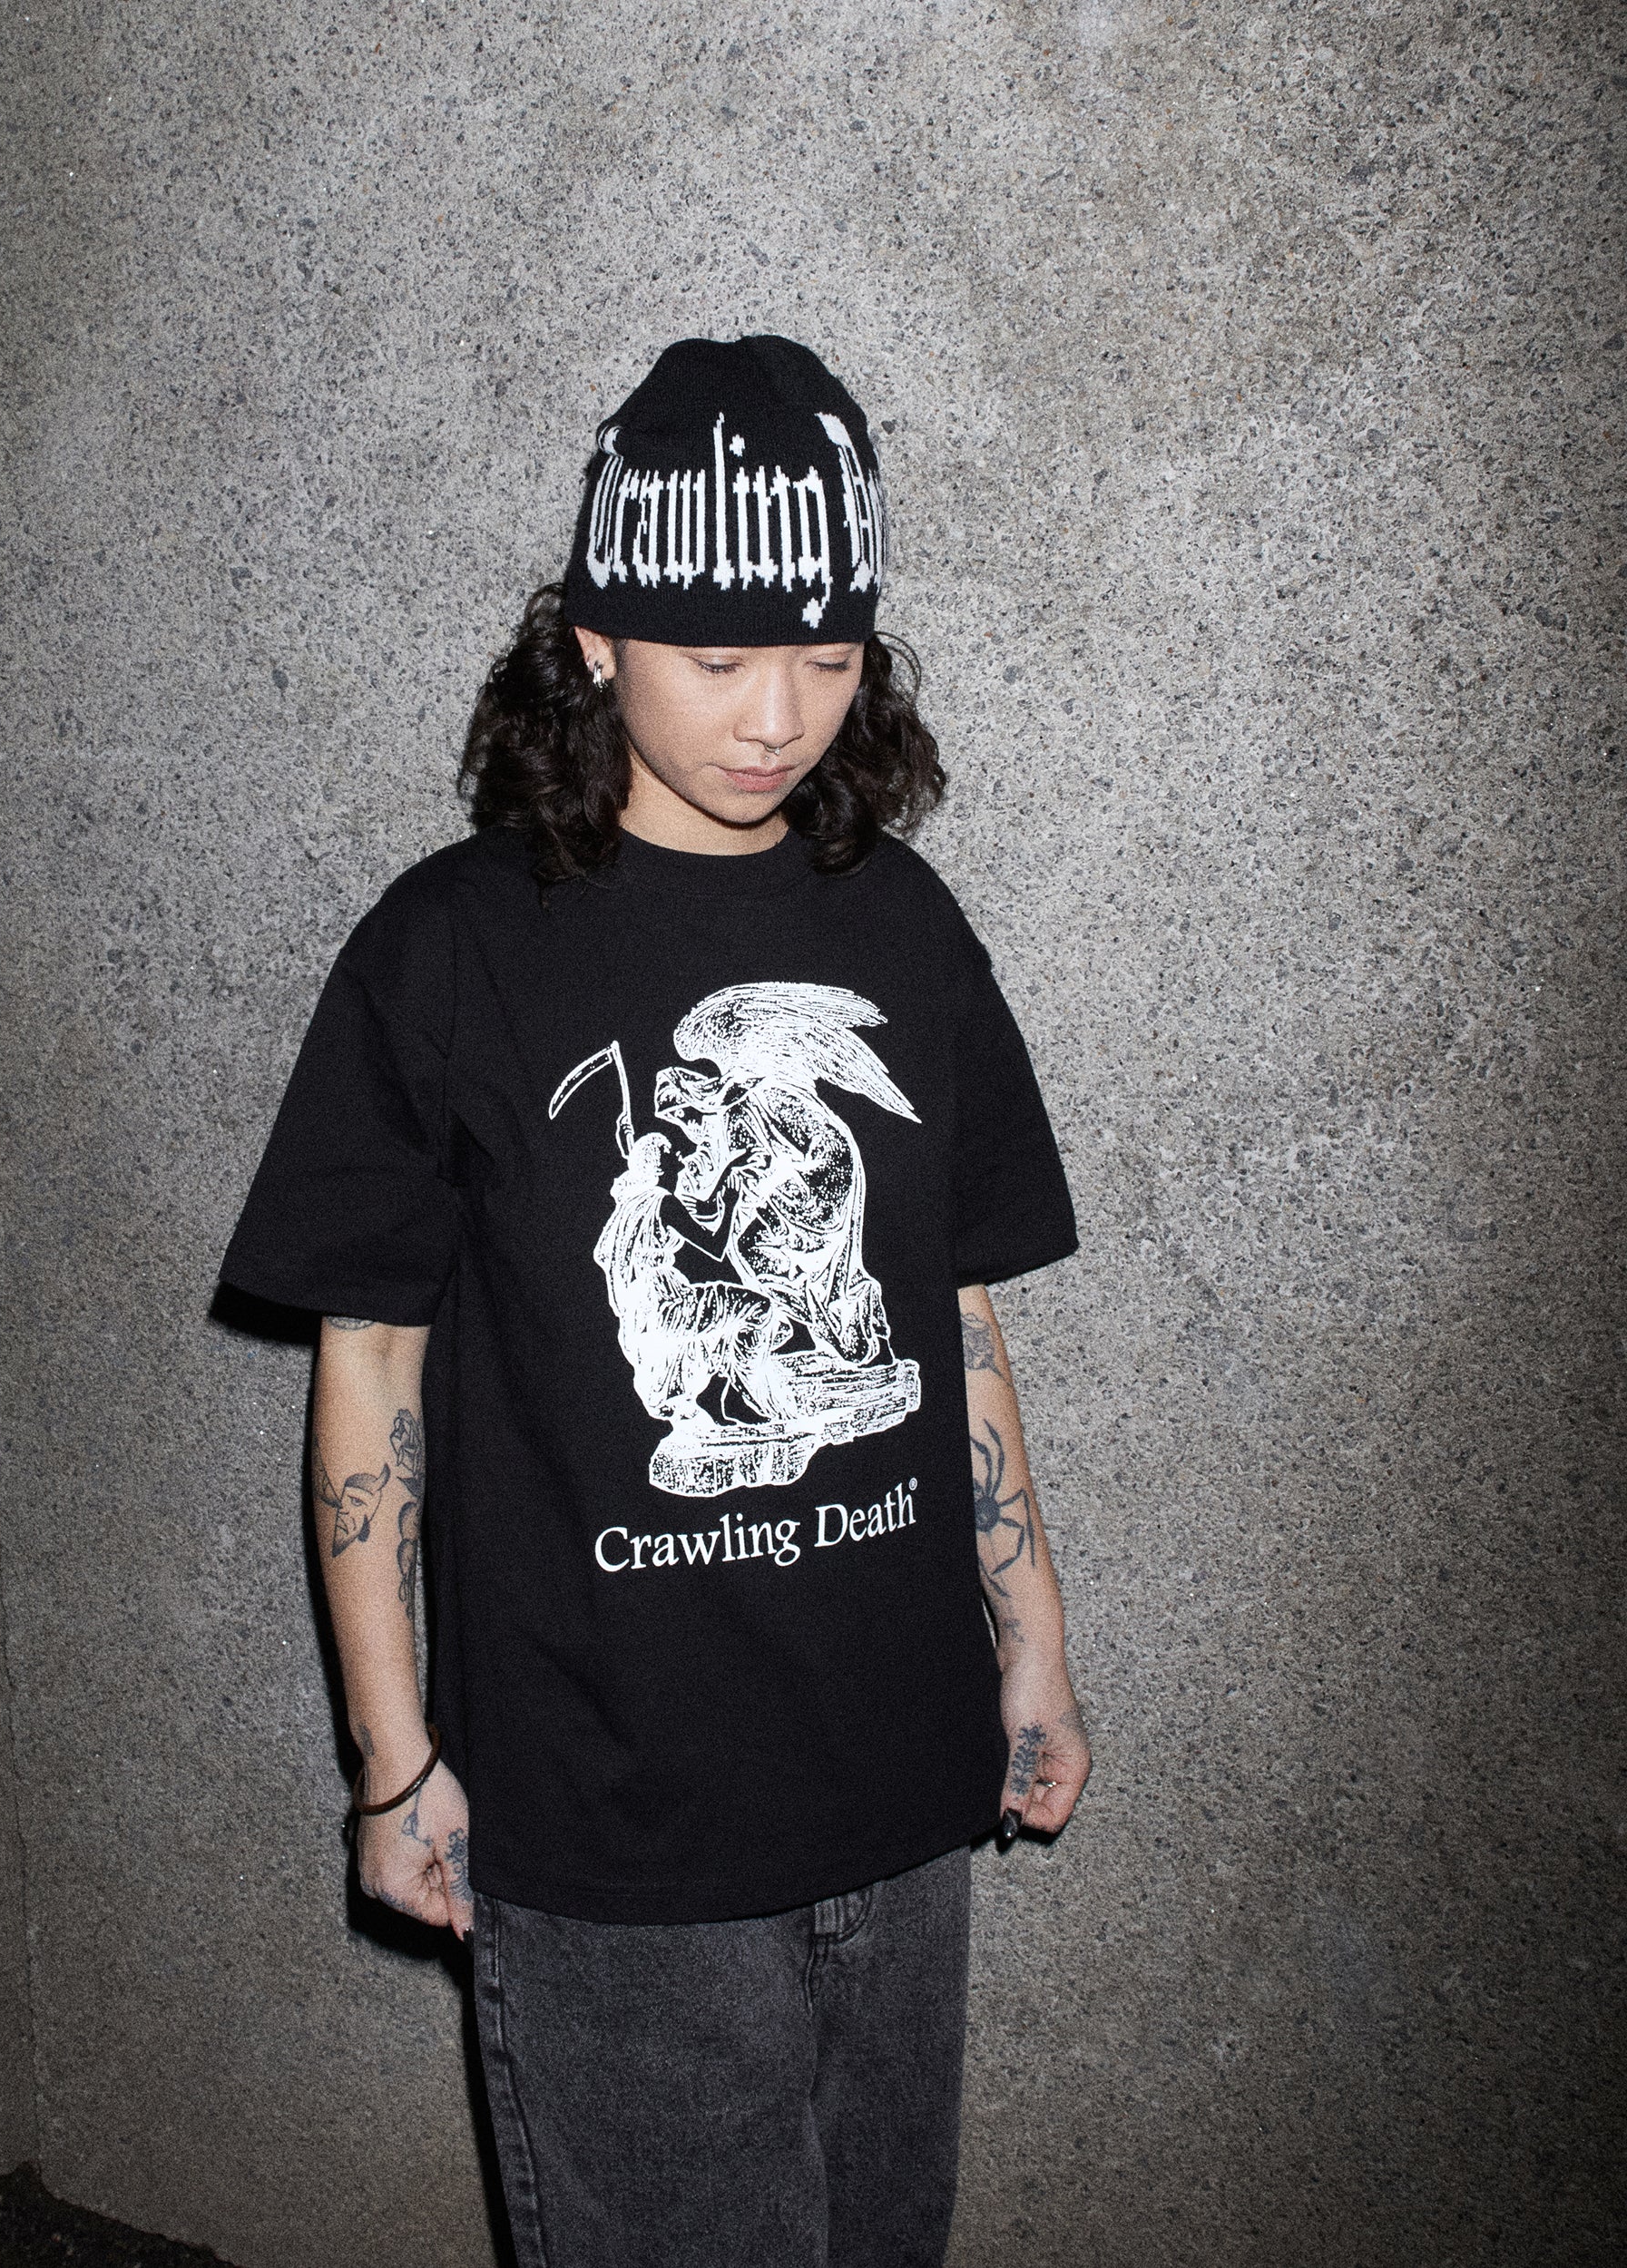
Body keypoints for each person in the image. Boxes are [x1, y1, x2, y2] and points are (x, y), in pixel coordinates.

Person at [221, 335, 1091, 2268]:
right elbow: (370, 1367)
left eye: (828, 656)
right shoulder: (451, 948)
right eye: (715, 657)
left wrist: (1029, 1637)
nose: (777, 716)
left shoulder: (905, 928)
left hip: (900, 1774)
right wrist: (391, 1756)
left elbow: (952, 1318)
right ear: (597, 636)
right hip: (608, 1817)